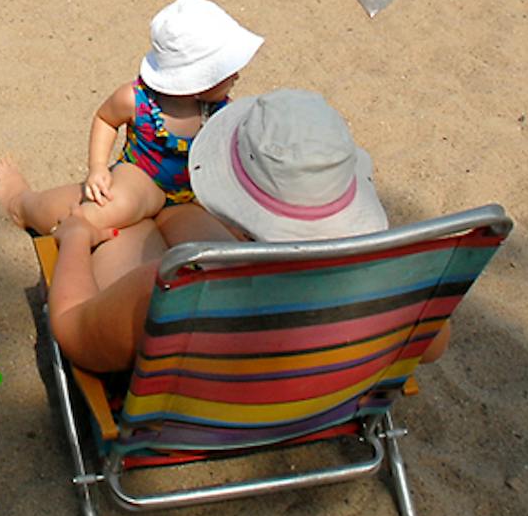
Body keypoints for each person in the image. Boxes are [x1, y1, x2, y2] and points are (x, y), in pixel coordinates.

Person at [30, 89, 411, 373]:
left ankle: (24, 204)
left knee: (128, 230)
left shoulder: (169, 290)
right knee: (172, 217)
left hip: (191, 397)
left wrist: (77, 238)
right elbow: (430, 345)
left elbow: (76, 334)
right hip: (304, 398)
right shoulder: (392, 288)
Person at [0, 0, 262, 239]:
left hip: (191, 194)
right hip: (141, 177)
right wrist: (97, 167)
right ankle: (37, 213)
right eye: (227, 71)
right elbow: (105, 120)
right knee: (112, 206)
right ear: (197, 82)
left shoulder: (220, 110)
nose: (237, 76)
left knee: (224, 245)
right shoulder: (135, 100)